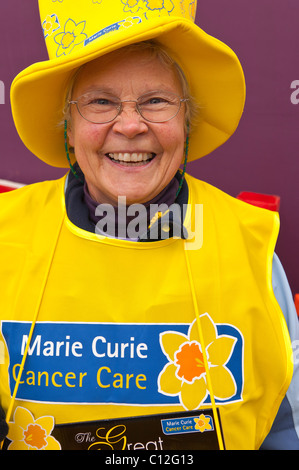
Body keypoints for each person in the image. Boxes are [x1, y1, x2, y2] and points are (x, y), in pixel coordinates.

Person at [0, 0, 298, 451]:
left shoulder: (250, 247)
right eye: (101, 102)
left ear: (187, 122)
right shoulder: (6, 235)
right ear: (69, 128)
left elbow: (283, 429)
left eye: (156, 101)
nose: (131, 125)